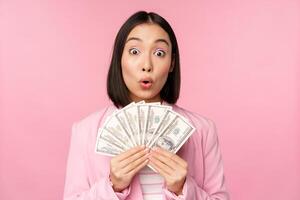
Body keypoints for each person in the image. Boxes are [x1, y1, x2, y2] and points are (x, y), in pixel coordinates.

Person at [63, 11, 230, 200]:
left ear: (172, 63)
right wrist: (113, 186)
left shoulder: (203, 131)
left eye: (159, 53)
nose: (147, 65)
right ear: (120, 59)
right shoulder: (85, 131)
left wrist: (182, 188)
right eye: (135, 51)